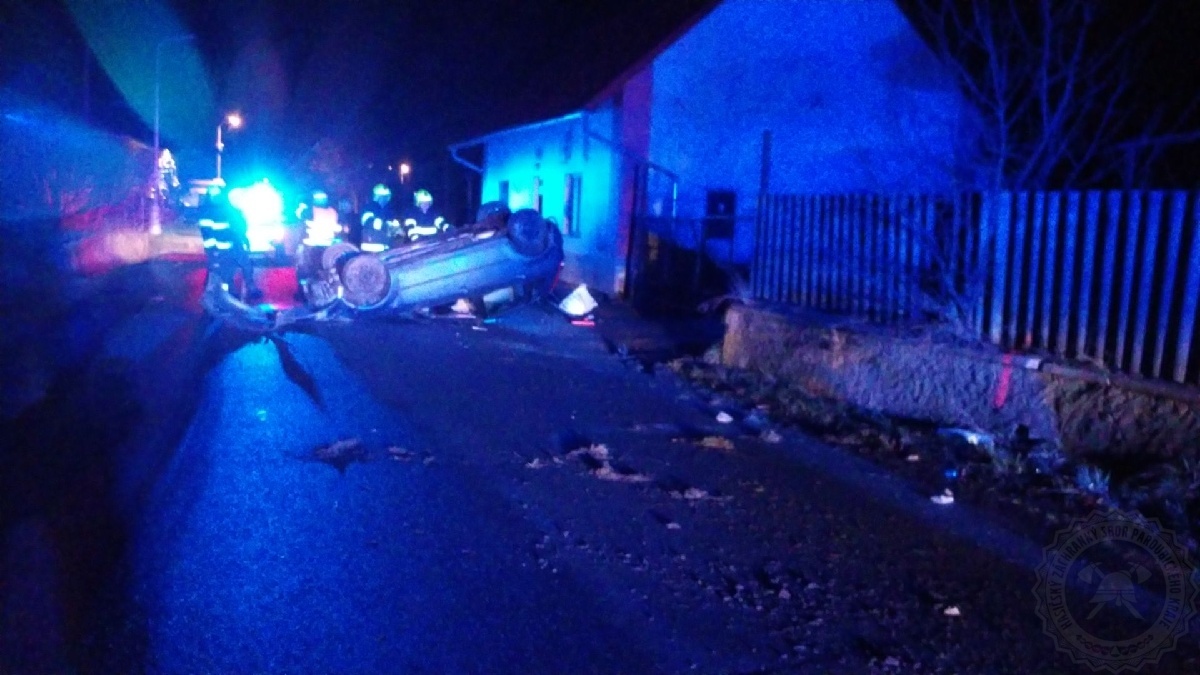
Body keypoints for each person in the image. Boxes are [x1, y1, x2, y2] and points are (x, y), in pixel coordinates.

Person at [197, 185, 262, 302]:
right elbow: (207, 235)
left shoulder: (229, 210)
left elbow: (240, 226)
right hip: (221, 249)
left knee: (245, 265)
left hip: (234, 245)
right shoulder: (206, 214)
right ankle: (229, 293)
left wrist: (243, 238)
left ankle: (249, 287)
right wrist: (212, 253)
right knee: (225, 272)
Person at [295, 189, 343, 277]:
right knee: (325, 265)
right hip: (329, 244)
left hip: (314, 244)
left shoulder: (310, 210)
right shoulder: (332, 211)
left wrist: (301, 205)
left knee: (312, 266)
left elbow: (300, 215)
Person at [360, 183, 400, 252]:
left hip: (387, 249)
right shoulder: (369, 208)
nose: (385, 199)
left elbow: (396, 229)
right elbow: (369, 222)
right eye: (382, 197)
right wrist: (387, 226)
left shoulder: (389, 211)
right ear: (376, 197)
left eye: (387, 197)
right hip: (371, 250)